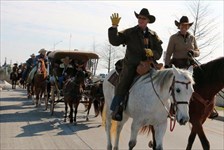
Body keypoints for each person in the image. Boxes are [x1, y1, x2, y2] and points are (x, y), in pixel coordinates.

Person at [108, 8, 163, 121]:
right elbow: (115, 41)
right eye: (139, 18)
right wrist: (114, 27)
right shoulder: (129, 32)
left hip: (149, 64)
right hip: (132, 64)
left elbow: (160, 51)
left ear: (148, 20)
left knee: (164, 80)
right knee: (124, 82)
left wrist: (153, 53)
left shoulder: (153, 35)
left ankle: (165, 107)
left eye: (143, 18)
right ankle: (117, 109)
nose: (141, 20)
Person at [164, 16, 218, 119]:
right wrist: (167, 65)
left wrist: (193, 52)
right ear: (179, 26)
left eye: (186, 25)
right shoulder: (174, 38)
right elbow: (168, 54)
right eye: (182, 25)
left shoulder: (192, 37)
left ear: (188, 27)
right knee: (174, 84)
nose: (184, 27)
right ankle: (170, 107)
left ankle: (208, 107)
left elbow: (198, 52)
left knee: (203, 80)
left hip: (189, 64)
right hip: (177, 65)